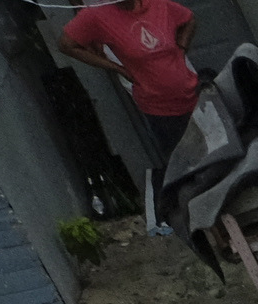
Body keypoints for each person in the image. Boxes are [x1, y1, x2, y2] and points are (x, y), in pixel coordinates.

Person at [60, 0, 202, 182]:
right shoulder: (95, 15)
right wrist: (116, 68)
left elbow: (189, 19)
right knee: (186, 163)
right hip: (160, 107)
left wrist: (180, 49)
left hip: (193, 94)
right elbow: (66, 44)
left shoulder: (158, 4)